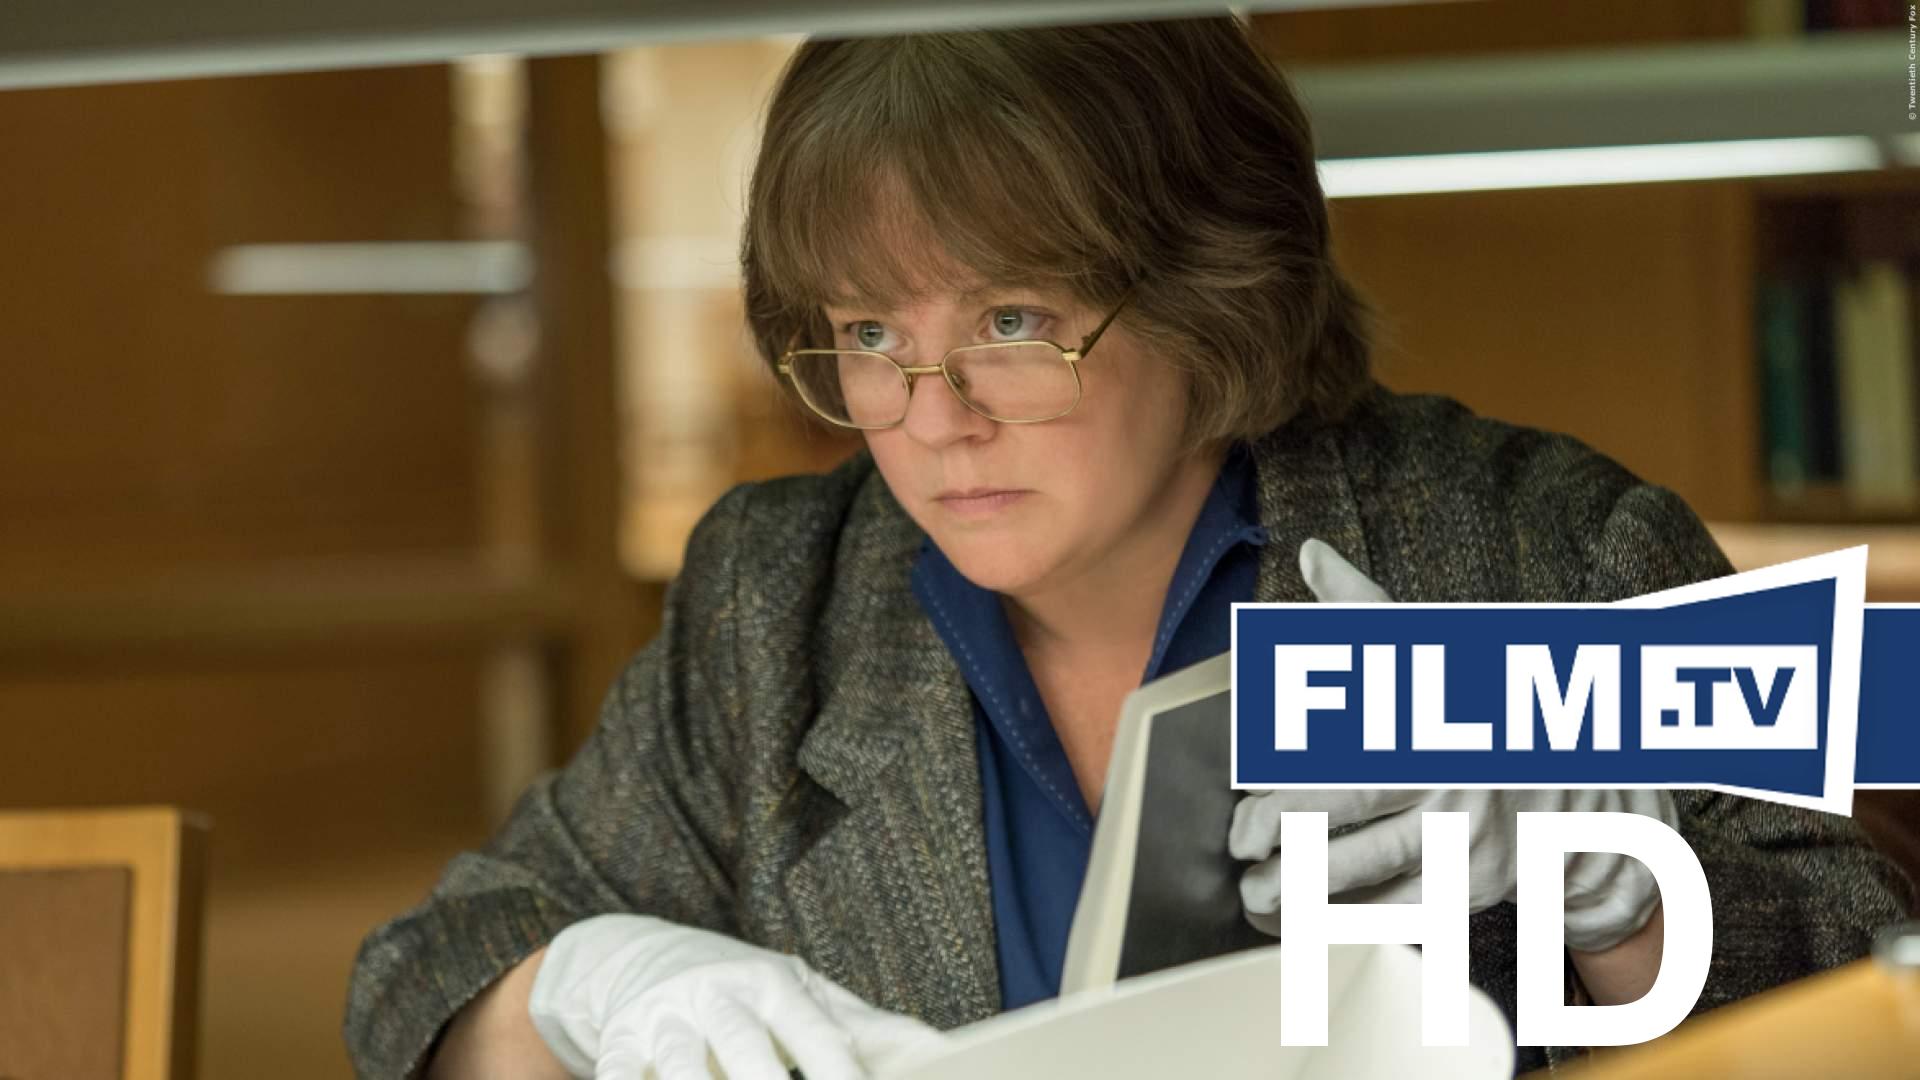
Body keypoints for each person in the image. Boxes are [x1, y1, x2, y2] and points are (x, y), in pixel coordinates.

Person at [344, 17, 1914, 1080]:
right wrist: (594, 987)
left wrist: (1625, 894)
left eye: (1014, 322)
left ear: (1208, 292)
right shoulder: (777, 599)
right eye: (871, 334)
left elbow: (1870, 997)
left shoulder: (1545, 538)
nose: (934, 419)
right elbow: (424, 981)